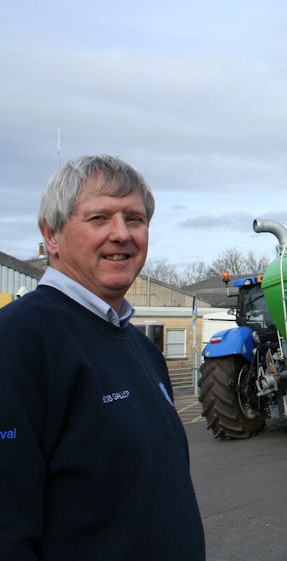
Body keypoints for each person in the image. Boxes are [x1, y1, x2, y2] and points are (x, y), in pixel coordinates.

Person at [0, 155, 205, 560]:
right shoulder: (19, 340)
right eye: (99, 219)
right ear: (52, 236)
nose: (121, 234)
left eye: (135, 219)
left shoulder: (141, 347)